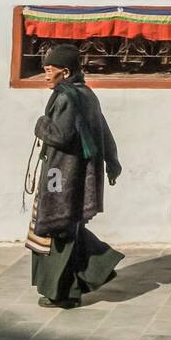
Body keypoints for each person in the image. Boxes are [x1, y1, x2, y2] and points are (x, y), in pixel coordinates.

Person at [24, 43, 124, 309]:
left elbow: (61, 136)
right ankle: (94, 271)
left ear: (65, 72)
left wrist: (40, 124)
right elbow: (103, 129)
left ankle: (64, 292)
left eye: (49, 70)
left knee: (58, 229)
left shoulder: (67, 97)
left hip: (61, 176)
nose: (45, 75)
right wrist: (112, 161)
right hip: (76, 175)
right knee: (69, 228)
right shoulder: (87, 95)